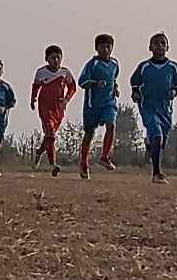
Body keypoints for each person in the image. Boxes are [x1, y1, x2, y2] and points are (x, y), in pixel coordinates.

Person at [129, 33, 177, 184]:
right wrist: (135, 93)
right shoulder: (144, 66)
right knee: (157, 135)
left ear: (167, 47)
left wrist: (174, 91)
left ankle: (150, 143)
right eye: (156, 43)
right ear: (150, 47)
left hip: (165, 109)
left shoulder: (174, 67)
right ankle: (157, 173)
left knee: (161, 141)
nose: (159, 46)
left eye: (162, 43)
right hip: (148, 106)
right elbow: (134, 81)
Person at [77, 34, 120, 179]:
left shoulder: (115, 64)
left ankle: (105, 157)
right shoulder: (92, 64)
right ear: (96, 48)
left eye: (108, 47)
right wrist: (95, 83)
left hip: (109, 103)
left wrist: (115, 88)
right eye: (102, 47)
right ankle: (84, 164)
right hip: (92, 105)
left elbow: (113, 79)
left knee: (111, 125)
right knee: (89, 133)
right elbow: (82, 82)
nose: (106, 50)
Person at [31, 46, 78, 176]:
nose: (56, 60)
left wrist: (66, 99)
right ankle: (53, 164)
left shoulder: (65, 72)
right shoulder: (41, 72)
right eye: (53, 58)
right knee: (51, 133)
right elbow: (36, 87)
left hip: (58, 108)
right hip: (45, 107)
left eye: (58, 57)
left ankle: (39, 152)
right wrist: (33, 99)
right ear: (47, 59)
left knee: (49, 136)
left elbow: (73, 87)